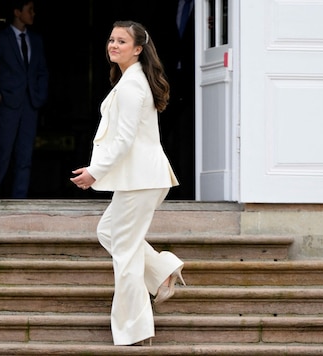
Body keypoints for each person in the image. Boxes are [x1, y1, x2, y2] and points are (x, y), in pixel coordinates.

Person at [70, 20, 186, 346]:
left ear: (138, 49)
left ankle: (134, 329)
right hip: (140, 179)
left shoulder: (133, 85)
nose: (113, 45)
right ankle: (163, 269)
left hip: (142, 179)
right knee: (109, 233)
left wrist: (95, 171)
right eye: (111, 40)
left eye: (122, 41)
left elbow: (124, 140)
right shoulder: (129, 81)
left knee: (125, 252)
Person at [0, 0, 48, 199]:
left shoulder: (36, 39)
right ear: (17, 12)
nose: (33, 14)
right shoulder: (1, 37)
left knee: (25, 155)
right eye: (30, 10)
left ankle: (20, 198)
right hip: (8, 104)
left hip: (30, 104)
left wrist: (40, 95)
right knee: (2, 153)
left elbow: (42, 70)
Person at [157, 0, 196, 200]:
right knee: (162, 135)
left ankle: (191, 189)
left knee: (194, 136)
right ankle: (170, 188)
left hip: (199, 78)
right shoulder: (167, 5)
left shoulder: (209, 5)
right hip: (169, 80)